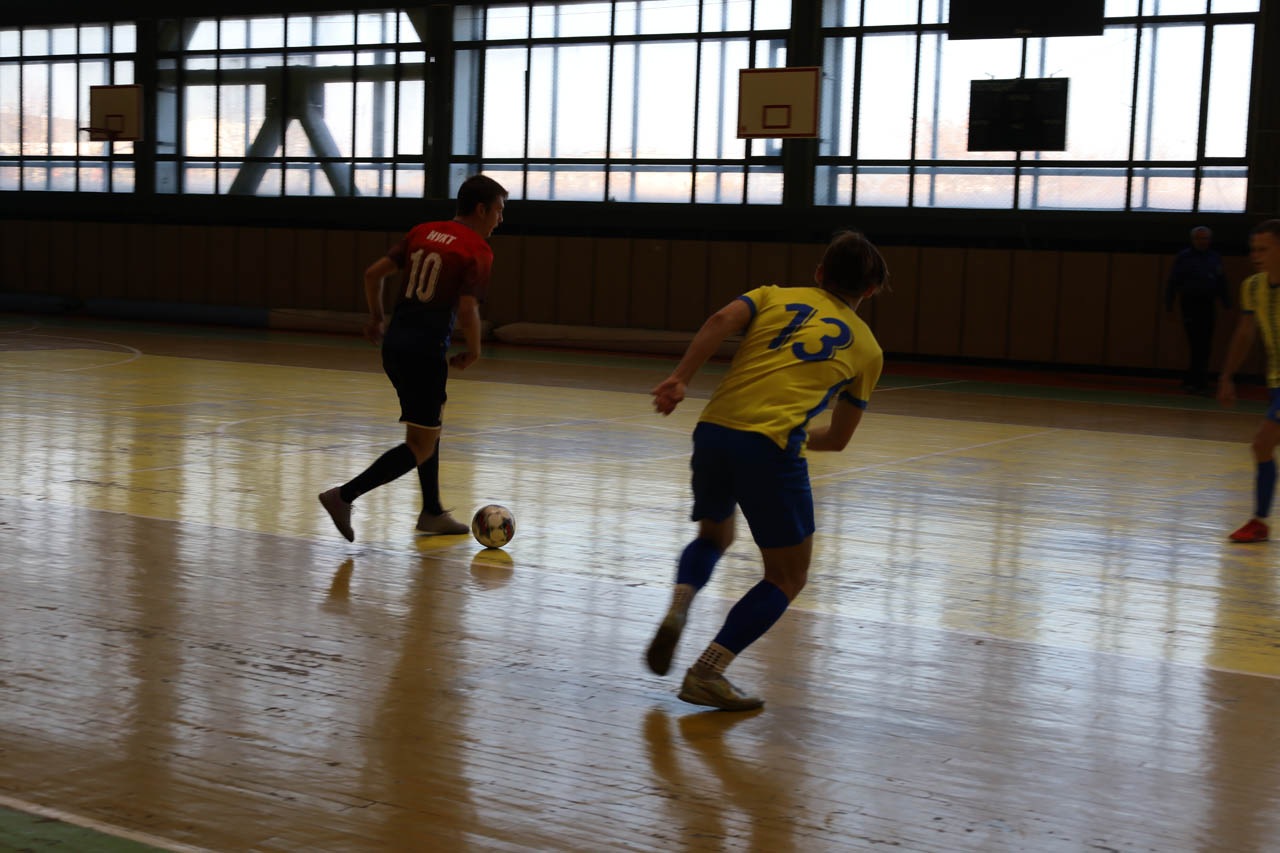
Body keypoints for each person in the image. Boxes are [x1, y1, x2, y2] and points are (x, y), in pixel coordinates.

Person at [644, 230, 888, 711]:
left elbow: (719, 320)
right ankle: (707, 671)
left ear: (819, 272)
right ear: (871, 290)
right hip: (772, 449)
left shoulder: (772, 296)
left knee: (714, 536)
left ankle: (681, 601)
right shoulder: (868, 350)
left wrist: (680, 378)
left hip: (713, 430)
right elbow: (839, 439)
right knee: (787, 576)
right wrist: (791, 436)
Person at [318, 174, 507, 542]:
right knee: (420, 444)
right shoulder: (477, 249)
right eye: (499, 211)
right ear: (481, 209)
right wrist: (475, 349)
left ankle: (432, 511)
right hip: (424, 352)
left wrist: (376, 317)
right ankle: (343, 496)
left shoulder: (423, 232)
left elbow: (372, 275)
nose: (500, 220)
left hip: (395, 346)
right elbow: (467, 308)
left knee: (428, 430)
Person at [1216, 219, 1280, 543]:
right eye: (1253, 249)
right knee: (1263, 446)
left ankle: (1259, 521)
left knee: (1262, 444)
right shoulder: (1253, 287)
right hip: (1276, 380)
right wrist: (1228, 375)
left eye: (1264, 249)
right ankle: (1260, 522)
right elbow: (1245, 333)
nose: (1256, 255)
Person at [1166, 226, 1230, 393]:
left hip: (1208, 303)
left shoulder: (1214, 257)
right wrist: (1169, 304)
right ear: (1193, 240)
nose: (1202, 241)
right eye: (1199, 238)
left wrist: (1226, 302)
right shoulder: (1184, 257)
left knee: (1205, 343)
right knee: (1196, 342)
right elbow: (1173, 281)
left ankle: (1194, 379)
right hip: (1190, 303)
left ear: (1210, 240)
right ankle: (1197, 380)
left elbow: (1221, 280)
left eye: (1205, 238)